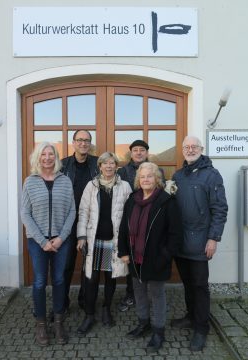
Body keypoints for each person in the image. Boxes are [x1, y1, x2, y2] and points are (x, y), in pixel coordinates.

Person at [171, 135, 228, 352]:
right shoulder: (178, 175)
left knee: (200, 286)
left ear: (201, 149)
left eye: (194, 146)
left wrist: (213, 238)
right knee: (187, 283)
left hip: (201, 241)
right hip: (180, 242)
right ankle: (191, 316)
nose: (190, 149)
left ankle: (201, 328)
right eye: (187, 147)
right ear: (183, 150)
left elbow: (220, 209)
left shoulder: (212, 175)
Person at [118, 162, 182, 352]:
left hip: (156, 258)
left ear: (157, 179)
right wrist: (123, 251)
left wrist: (165, 255)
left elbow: (175, 234)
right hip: (135, 258)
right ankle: (143, 323)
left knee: (157, 295)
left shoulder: (166, 201)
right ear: (138, 179)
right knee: (138, 292)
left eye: (150, 176)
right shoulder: (132, 199)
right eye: (143, 176)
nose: (146, 179)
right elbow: (124, 227)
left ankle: (158, 331)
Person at [21, 142, 75, 346]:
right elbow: (25, 213)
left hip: (62, 238)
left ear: (56, 157)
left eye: (50, 154)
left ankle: (59, 322)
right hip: (37, 241)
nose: (47, 157)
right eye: (43, 154)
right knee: (40, 281)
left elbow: (72, 211)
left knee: (60, 280)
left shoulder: (65, 180)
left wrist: (62, 237)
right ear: (38, 157)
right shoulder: (30, 182)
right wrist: (43, 241)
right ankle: (41, 324)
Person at [76, 152, 132, 335]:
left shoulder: (124, 186)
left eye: (112, 163)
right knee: (91, 280)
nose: (109, 166)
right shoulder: (91, 186)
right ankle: (89, 315)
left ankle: (107, 309)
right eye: (105, 163)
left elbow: (130, 214)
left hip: (113, 241)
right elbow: (83, 211)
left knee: (110, 278)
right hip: (95, 241)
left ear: (116, 166)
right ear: (99, 166)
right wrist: (81, 236)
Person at [117, 139, 165, 312]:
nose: (138, 153)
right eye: (135, 150)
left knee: (148, 258)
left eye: (142, 150)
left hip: (150, 219)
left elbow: (162, 191)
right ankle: (131, 295)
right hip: (131, 218)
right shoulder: (122, 171)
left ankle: (152, 297)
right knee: (132, 260)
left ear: (146, 153)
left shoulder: (157, 171)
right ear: (131, 153)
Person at [61, 130, 98, 311]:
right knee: (66, 264)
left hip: (92, 221)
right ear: (73, 142)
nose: (83, 143)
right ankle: (63, 302)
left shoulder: (97, 164)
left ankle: (85, 301)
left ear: (90, 143)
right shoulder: (63, 165)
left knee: (89, 265)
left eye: (86, 140)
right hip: (68, 222)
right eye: (80, 140)